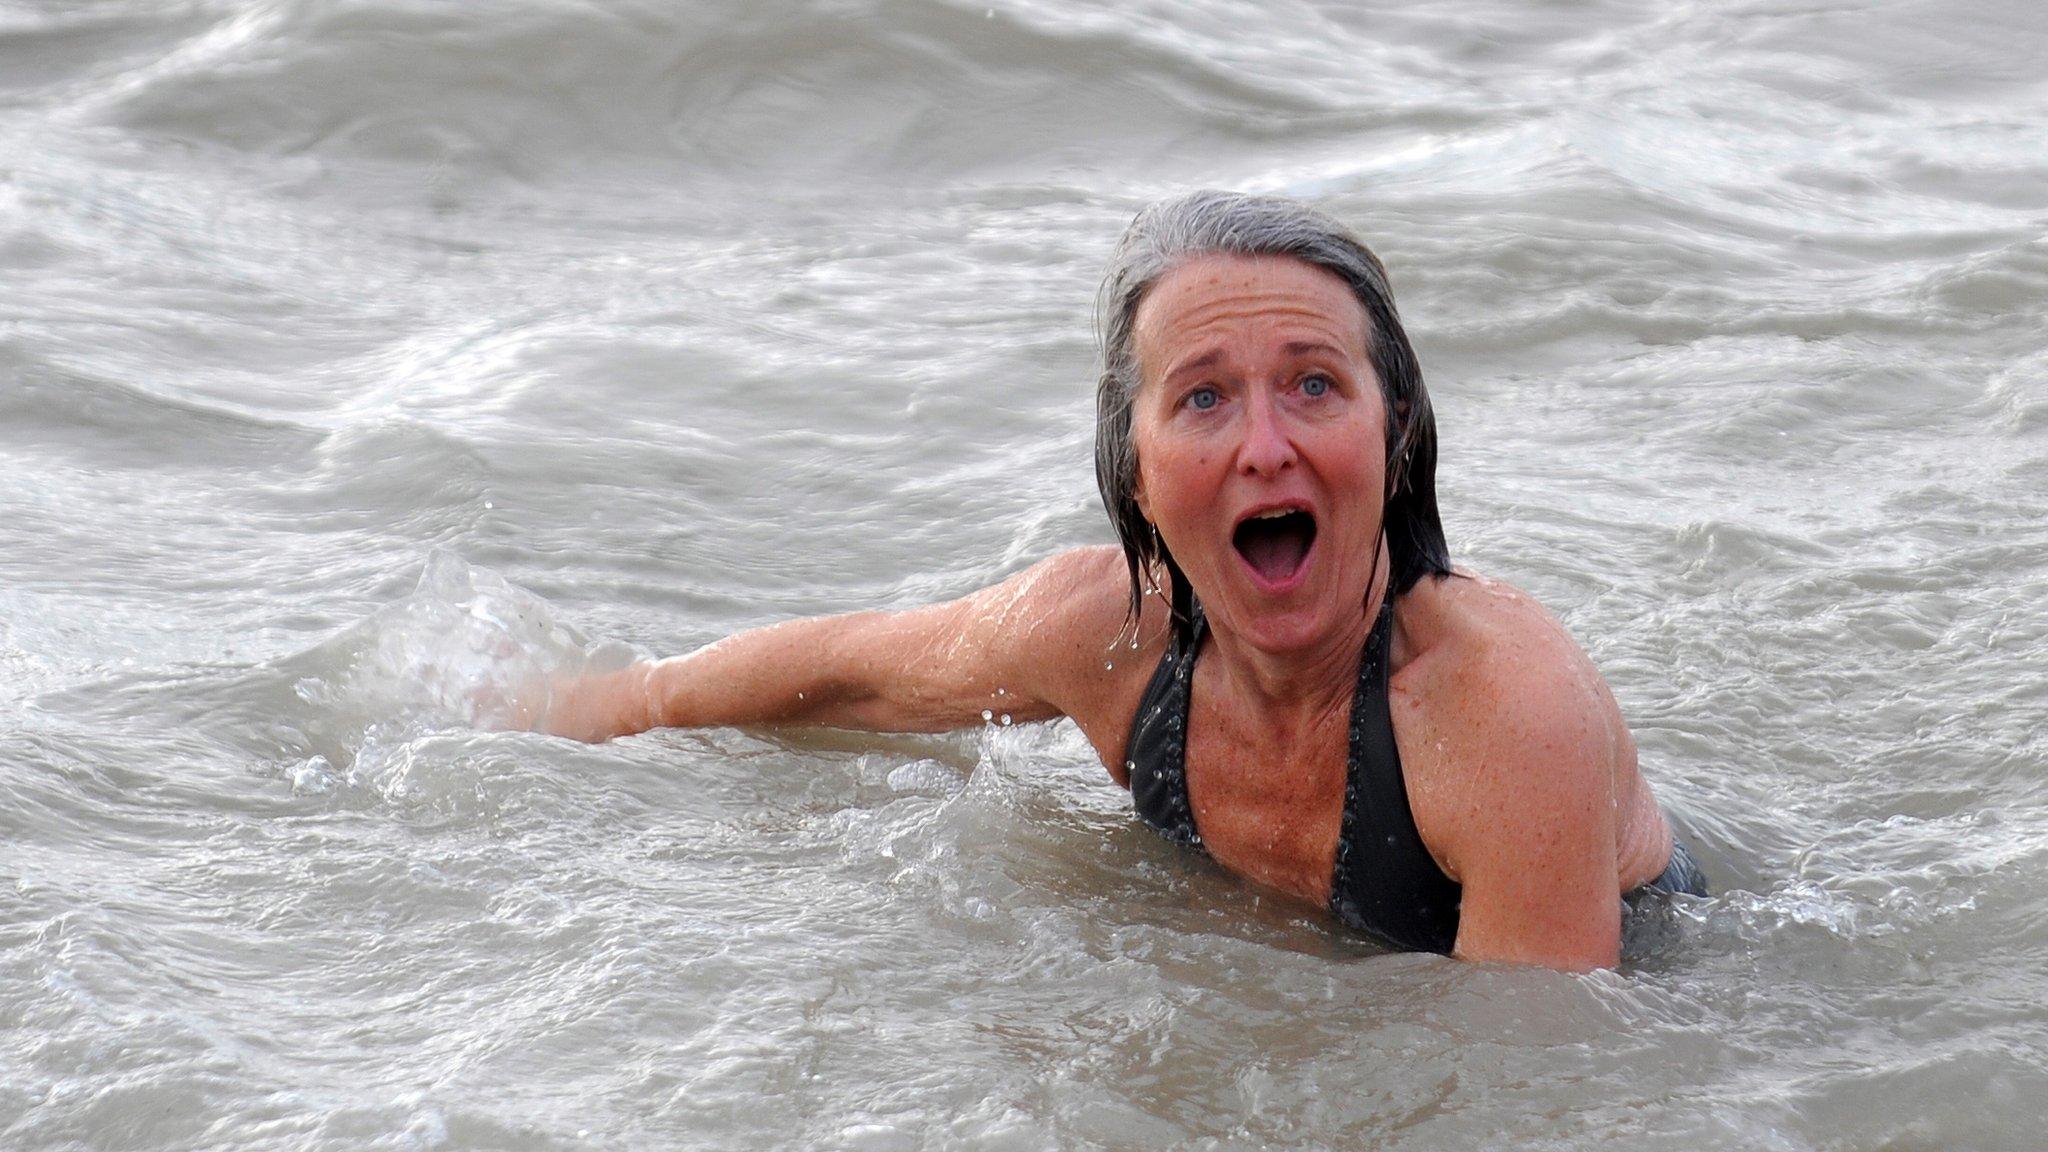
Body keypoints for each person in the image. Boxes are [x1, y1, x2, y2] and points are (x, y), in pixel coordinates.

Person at [526, 190, 1707, 971]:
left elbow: (1543, 1092)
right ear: (1131, 470)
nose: (1263, 446)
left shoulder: (1503, 717)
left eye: (1312, 385)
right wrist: (606, 710)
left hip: (1655, 977)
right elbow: (852, 679)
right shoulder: (1106, 632)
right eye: (1201, 395)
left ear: (1393, 432)